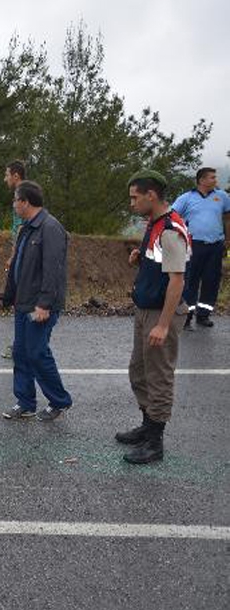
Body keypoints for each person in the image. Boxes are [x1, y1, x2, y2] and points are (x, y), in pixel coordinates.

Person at [115, 170, 191, 464]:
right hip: (145, 309)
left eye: (135, 197)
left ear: (151, 195)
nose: (131, 203)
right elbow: (160, 267)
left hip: (160, 313)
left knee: (158, 377)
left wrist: (163, 324)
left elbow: (177, 281)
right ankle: (147, 426)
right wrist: (140, 259)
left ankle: (155, 443)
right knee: (139, 371)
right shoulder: (155, 224)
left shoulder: (170, 230)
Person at [0, 181, 73, 421]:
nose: (13, 204)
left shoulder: (50, 228)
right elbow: (20, 263)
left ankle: (59, 401)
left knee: (37, 352)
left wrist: (44, 304)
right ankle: (25, 402)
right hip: (23, 300)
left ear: (25, 202)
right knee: (21, 352)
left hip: (39, 304)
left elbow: (53, 270)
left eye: (15, 200)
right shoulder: (27, 228)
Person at [171, 167, 230, 329]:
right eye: (212, 177)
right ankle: (186, 316)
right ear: (201, 180)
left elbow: (227, 218)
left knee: (211, 280)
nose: (215, 180)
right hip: (193, 245)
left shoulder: (222, 197)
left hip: (216, 246)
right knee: (190, 280)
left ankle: (203, 315)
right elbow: (172, 216)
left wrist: (227, 240)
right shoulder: (186, 198)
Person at [1, 160, 27, 359]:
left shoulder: (22, 194)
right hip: (23, 252)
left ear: (16, 176)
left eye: (7, 174)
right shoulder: (25, 191)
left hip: (23, 255)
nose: (5, 179)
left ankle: (20, 346)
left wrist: (13, 256)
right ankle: (22, 344)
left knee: (21, 300)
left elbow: (20, 228)